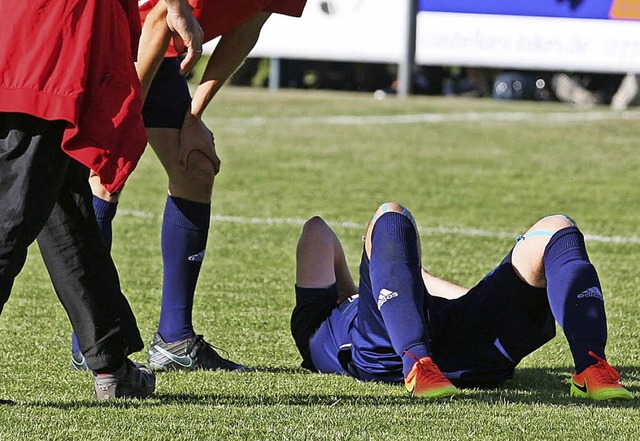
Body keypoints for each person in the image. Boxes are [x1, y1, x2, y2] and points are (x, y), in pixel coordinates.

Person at [71, 0, 308, 373]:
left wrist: (195, 114)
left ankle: (175, 340)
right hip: (117, 41)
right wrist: (126, 119)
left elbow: (249, 25)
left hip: (161, 55)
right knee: (106, 175)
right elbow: (159, 20)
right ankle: (92, 340)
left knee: (195, 168)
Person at [0, 0, 202, 400]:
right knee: (13, 212)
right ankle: (110, 362)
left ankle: (109, 360)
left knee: (65, 207)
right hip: (50, 36)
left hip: (36, 31)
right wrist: (176, 5)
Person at [291, 202, 634, 401]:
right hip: (399, 356)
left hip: (451, 343)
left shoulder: (321, 323)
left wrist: (357, 289)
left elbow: (319, 233)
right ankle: (593, 366)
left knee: (556, 229)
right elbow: (317, 230)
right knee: (389, 215)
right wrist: (352, 289)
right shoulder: (319, 325)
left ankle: (590, 366)